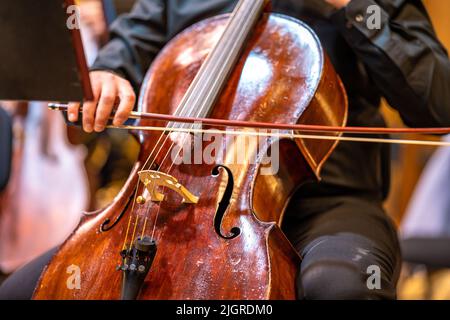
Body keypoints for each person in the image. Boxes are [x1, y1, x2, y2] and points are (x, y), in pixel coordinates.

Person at [1, 0, 450, 300]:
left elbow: (438, 104)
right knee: (24, 290)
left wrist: (355, 7)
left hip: (325, 203)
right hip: (171, 203)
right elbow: (124, 51)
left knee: (341, 286)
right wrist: (106, 75)